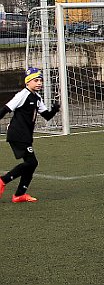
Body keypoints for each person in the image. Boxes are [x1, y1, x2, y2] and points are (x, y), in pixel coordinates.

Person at [0, 67, 60, 203]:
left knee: (31, 164)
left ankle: (19, 195)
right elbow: (5, 109)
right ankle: (3, 181)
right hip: (17, 134)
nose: (39, 83)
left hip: (25, 136)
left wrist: (55, 109)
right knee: (32, 162)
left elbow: (47, 116)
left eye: (40, 80)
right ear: (28, 82)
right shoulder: (22, 95)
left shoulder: (37, 97)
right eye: (35, 80)